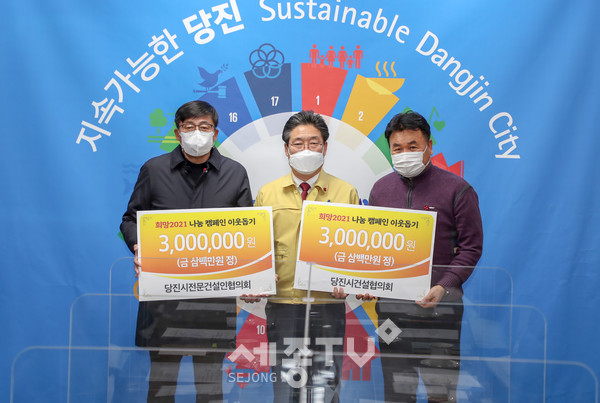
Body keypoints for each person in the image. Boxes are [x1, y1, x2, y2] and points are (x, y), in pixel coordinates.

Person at [120, 100, 252, 402]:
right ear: (177, 132)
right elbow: (130, 219)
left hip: (214, 302)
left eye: (204, 127)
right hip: (164, 301)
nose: (197, 133)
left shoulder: (235, 173)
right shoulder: (154, 170)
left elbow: (248, 233)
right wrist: (139, 245)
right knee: (161, 390)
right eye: (189, 127)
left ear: (215, 133)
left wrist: (251, 274)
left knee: (210, 391)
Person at [367, 111, 483, 402]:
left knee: (441, 394)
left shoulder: (458, 189)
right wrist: (365, 280)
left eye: (413, 146)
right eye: (397, 148)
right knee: (397, 393)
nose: (404, 153)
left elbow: (471, 248)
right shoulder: (380, 190)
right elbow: (373, 249)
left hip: (440, 311)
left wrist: (444, 285)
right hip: (392, 312)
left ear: (429, 146)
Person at [252, 110, 359, 402]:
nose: (306, 149)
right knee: (286, 385)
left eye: (314, 143)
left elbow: (354, 254)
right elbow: (257, 250)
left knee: (327, 384)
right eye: (298, 143)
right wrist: (255, 279)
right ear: (286, 149)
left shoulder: (346, 192)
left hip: (328, 304)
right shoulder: (267, 194)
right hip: (284, 304)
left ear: (325, 147)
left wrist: (350, 280)